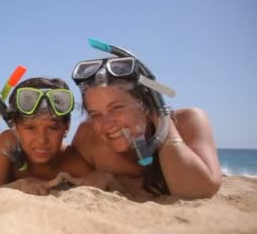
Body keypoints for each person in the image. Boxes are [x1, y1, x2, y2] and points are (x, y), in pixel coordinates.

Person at [69, 39, 222, 199]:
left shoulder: (188, 121)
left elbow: (200, 190)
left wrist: (161, 119)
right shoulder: (88, 137)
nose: (107, 124)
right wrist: (105, 176)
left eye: (117, 108)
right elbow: (54, 165)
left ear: (147, 104)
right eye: (95, 114)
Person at [0, 77, 92, 195]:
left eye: (52, 128)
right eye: (30, 128)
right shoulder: (8, 144)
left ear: (66, 127)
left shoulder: (75, 165)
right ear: (16, 127)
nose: (42, 139)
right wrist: (20, 184)